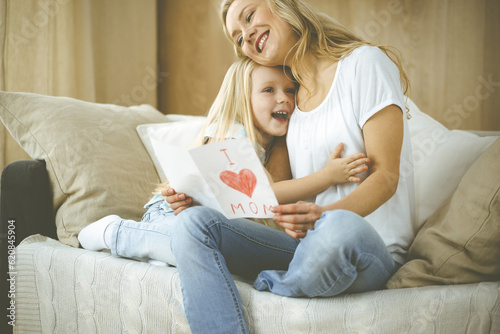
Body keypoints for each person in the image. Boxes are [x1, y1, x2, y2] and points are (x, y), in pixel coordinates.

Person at [163, 0, 416, 333]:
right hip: (304, 248)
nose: (247, 35)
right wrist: (202, 197)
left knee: (338, 227)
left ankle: (274, 283)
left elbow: (386, 176)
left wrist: (323, 219)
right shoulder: (290, 104)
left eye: (249, 16)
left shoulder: (364, 64)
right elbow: (268, 198)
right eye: (238, 38)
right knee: (193, 224)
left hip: (367, 245)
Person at [78, 57, 368, 268]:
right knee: (189, 244)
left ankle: (160, 256)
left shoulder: (278, 143)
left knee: (211, 252)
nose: (284, 99)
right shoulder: (232, 134)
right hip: (171, 212)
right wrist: (329, 176)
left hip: (212, 224)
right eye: (269, 90)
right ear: (244, 97)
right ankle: (116, 232)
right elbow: (267, 194)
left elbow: (272, 202)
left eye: (290, 90)